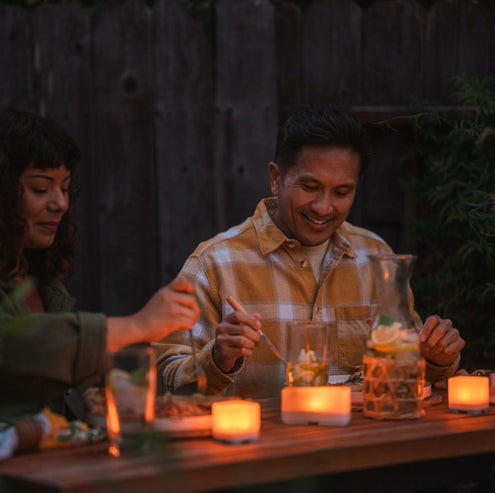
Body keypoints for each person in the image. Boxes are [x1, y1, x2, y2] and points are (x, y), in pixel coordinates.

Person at [156, 103, 465, 398]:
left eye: (341, 192)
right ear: (277, 179)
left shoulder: (377, 257)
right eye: (310, 187)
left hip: (365, 448)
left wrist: (437, 358)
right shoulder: (213, 265)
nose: (323, 207)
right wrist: (218, 358)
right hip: (260, 450)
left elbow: (409, 372)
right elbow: (165, 381)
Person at [0, 107, 199, 421]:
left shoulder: (42, 283)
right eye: (41, 188)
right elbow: (21, 348)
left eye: (65, 188)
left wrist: (85, 400)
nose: (60, 203)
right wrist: (140, 325)